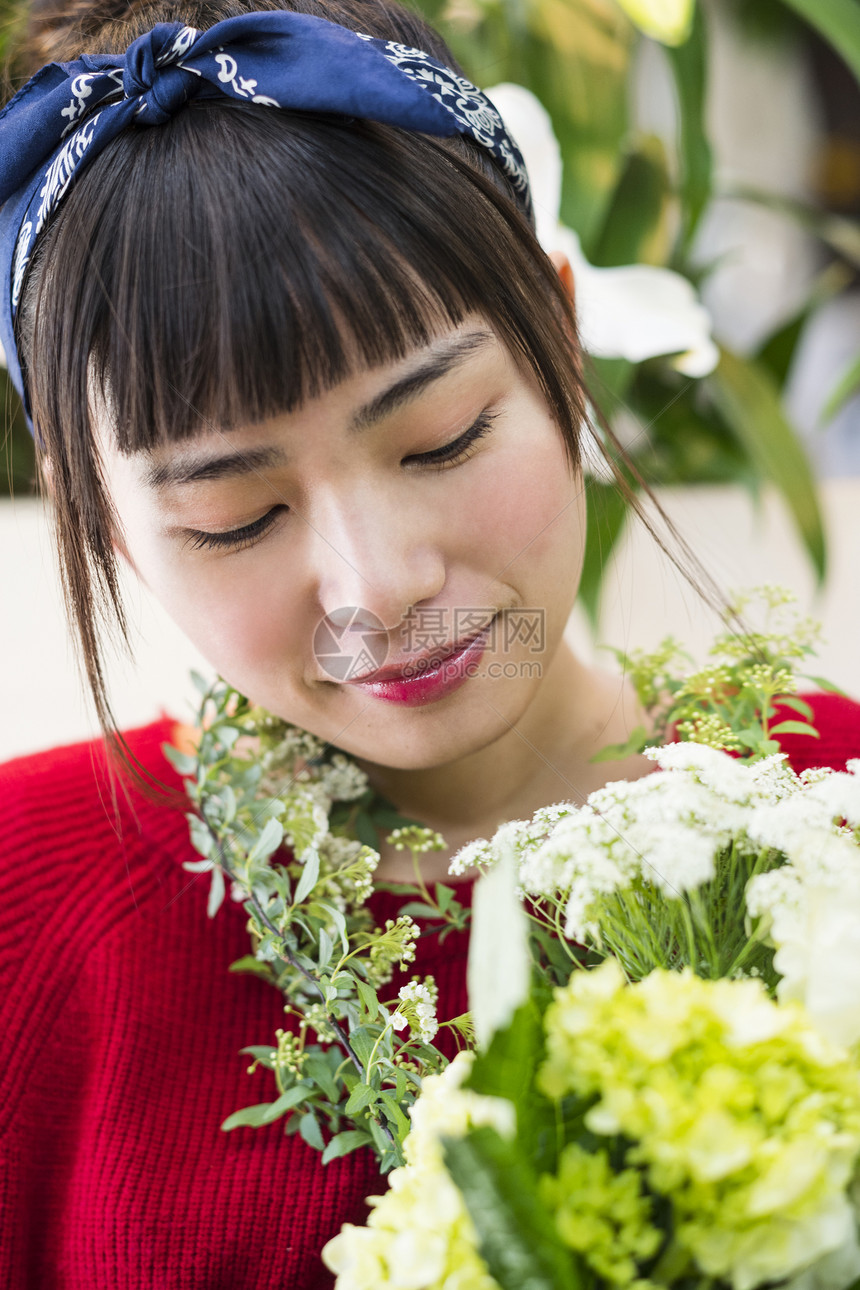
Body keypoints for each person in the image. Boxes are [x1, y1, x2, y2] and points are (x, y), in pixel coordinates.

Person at [1, 0, 859, 1286]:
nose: (375, 588)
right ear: (98, 514)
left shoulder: (832, 811)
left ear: (560, 347)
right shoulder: (28, 907)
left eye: (442, 438)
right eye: (236, 516)